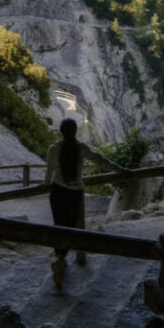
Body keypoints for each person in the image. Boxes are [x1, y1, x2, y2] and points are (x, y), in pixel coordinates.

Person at [45, 117, 130, 289]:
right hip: (75, 192)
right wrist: (120, 170)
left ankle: (60, 259)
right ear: (75, 132)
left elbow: (49, 170)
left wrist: (46, 185)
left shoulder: (53, 148)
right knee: (76, 223)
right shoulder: (80, 149)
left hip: (57, 191)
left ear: (60, 132)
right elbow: (100, 159)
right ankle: (78, 253)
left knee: (59, 225)